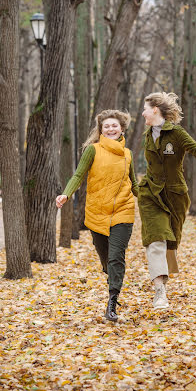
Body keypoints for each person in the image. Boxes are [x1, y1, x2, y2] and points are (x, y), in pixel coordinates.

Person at [138, 92, 196, 310]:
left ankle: (163, 280)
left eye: (145, 108)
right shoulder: (147, 134)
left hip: (174, 195)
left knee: (170, 242)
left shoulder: (176, 133)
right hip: (150, 195)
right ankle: (159, 292)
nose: (143, 113)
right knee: (155, 238)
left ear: (155, 109)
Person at [56, 110, 138, 322]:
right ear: (101, 130)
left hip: (123, 210)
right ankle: (112, 275)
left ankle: (112, 303)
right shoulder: (92, 150)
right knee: (106, 260)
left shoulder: (127, 154)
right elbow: (78, 174)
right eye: (106, 126)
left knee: (116, 256)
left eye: (114, 125)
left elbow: (134, 184)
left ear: (122, 128)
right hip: (97, 212)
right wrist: (66, 194)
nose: (111, 129)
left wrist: (152, 200)